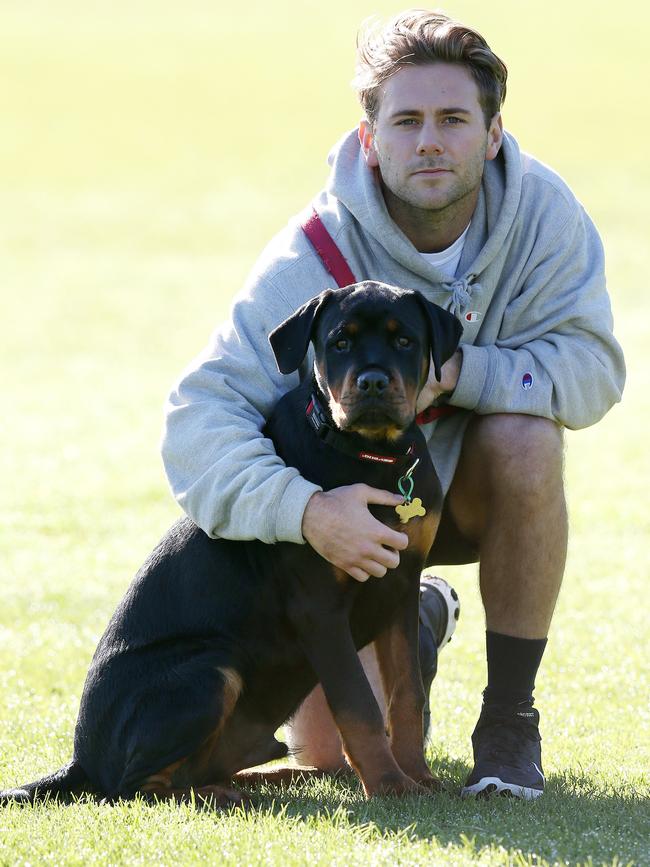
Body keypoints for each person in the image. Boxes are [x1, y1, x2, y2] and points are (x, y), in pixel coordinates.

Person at [161, 10, 625, 799]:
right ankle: (421, 616)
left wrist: (460, 371)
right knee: (327, 758)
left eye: (453, 119)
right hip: (344, 516)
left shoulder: (546, 217)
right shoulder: (312, 257)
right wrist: (306, 511)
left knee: (526, 436)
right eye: (406, 120)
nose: (430, 142)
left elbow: (595, 371)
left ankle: (509, 717)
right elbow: (194, 425)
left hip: (468, 496)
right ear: (370, 137)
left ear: (494, 132)